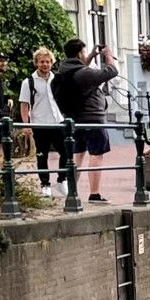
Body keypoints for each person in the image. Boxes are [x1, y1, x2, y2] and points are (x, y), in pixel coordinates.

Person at [53, 40, 117, 201]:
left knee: (77, 156)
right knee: (96, 155)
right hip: (93, 119)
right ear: (79, 53)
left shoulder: (63, 72)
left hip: (74, 120)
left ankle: (72, 193)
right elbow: (111, 71)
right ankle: (94, 193)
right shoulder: (84, 74)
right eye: (84, 52)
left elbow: (80, 71)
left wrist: (91, 56)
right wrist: (108, 55)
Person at [18, 47, 69, 187]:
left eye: (47, 62)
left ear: (52, 63)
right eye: (42, 62)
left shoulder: (57, 79)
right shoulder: (28, 82)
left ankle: (61, 179)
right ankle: (45, 184)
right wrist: (26, 124)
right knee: (42, 155)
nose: (45, 65)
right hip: (40, 123)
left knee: (66, 151)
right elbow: (24, 104)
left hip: (58, 121)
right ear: (36, 63)